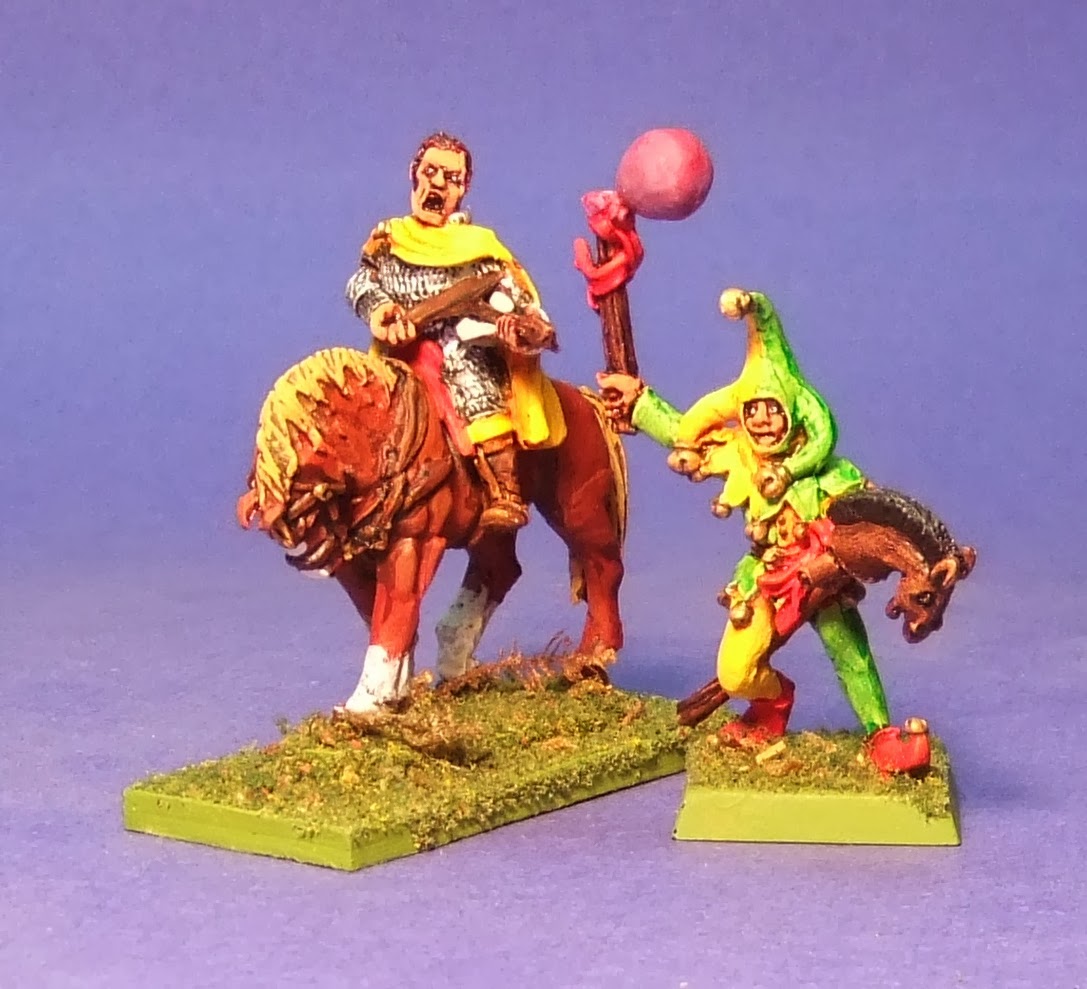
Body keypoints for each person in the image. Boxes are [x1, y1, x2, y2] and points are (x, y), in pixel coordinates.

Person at [598, 287, 927, 770]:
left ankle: (882, 736)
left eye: (773, 409)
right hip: (767, 577)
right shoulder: (741, 456)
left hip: (825, 580)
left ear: (793, 413)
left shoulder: (835, 474)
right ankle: (770, 707)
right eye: (752, 410)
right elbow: (684, 433)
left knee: (850, 652)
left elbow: (876, 524)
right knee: (735, 672)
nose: (763, 420)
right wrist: (640, 403)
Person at [345, 132, 565, 532]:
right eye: (430, 172)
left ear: (463, 190)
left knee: (473, 382)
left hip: (462, 345)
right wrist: (380, 310)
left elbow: (512, 294)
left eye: (452, 178)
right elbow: (362, 281)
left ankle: (506, 492)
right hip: (401, 347)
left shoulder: (477, 245)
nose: (438, 185)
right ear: (414, 174)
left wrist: (516, 324)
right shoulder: (389, 238)